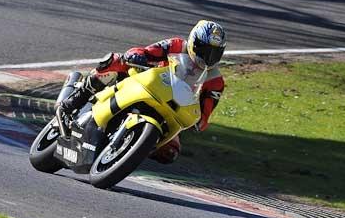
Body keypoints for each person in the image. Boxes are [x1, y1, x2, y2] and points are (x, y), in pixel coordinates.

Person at [60, 19, 226, 164]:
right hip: (148, 84)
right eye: (203, 49)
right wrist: (137, 56)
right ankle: (75, 100)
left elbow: (205, 114)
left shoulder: (215, 81)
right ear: (192, 42)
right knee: (117, 61)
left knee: (170, 153)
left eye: (214, 53)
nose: (207, 56)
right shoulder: (176, 45)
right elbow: (146, 52)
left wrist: (198, 122)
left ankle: (131, 149)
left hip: (172, 109)